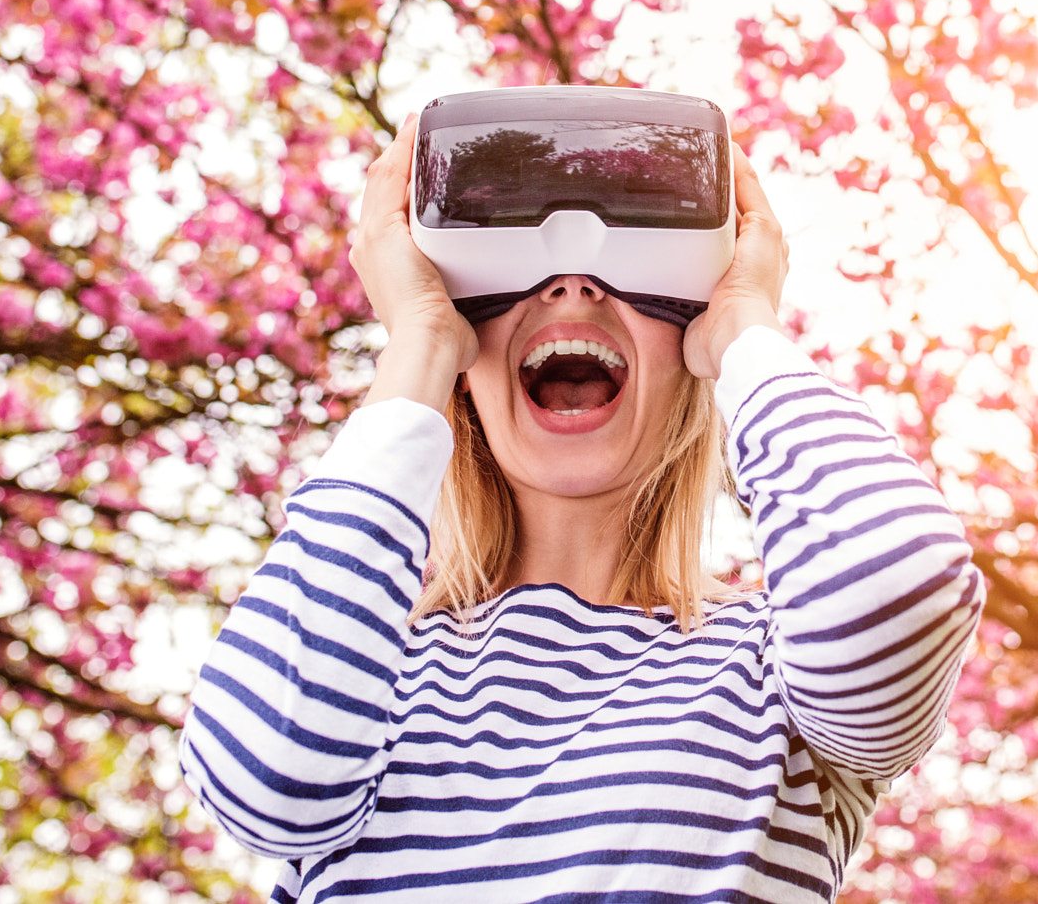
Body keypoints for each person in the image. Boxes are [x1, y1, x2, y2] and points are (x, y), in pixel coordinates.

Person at [179, 120, 986, 902]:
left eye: (633, 260)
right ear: (467, 354)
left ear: (690, 349)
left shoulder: (777, 670)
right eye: (521, 260)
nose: (573, 280)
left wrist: (742, 320)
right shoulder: (365, 664)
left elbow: (899, 579)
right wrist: (420, 341)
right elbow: (267, 778)